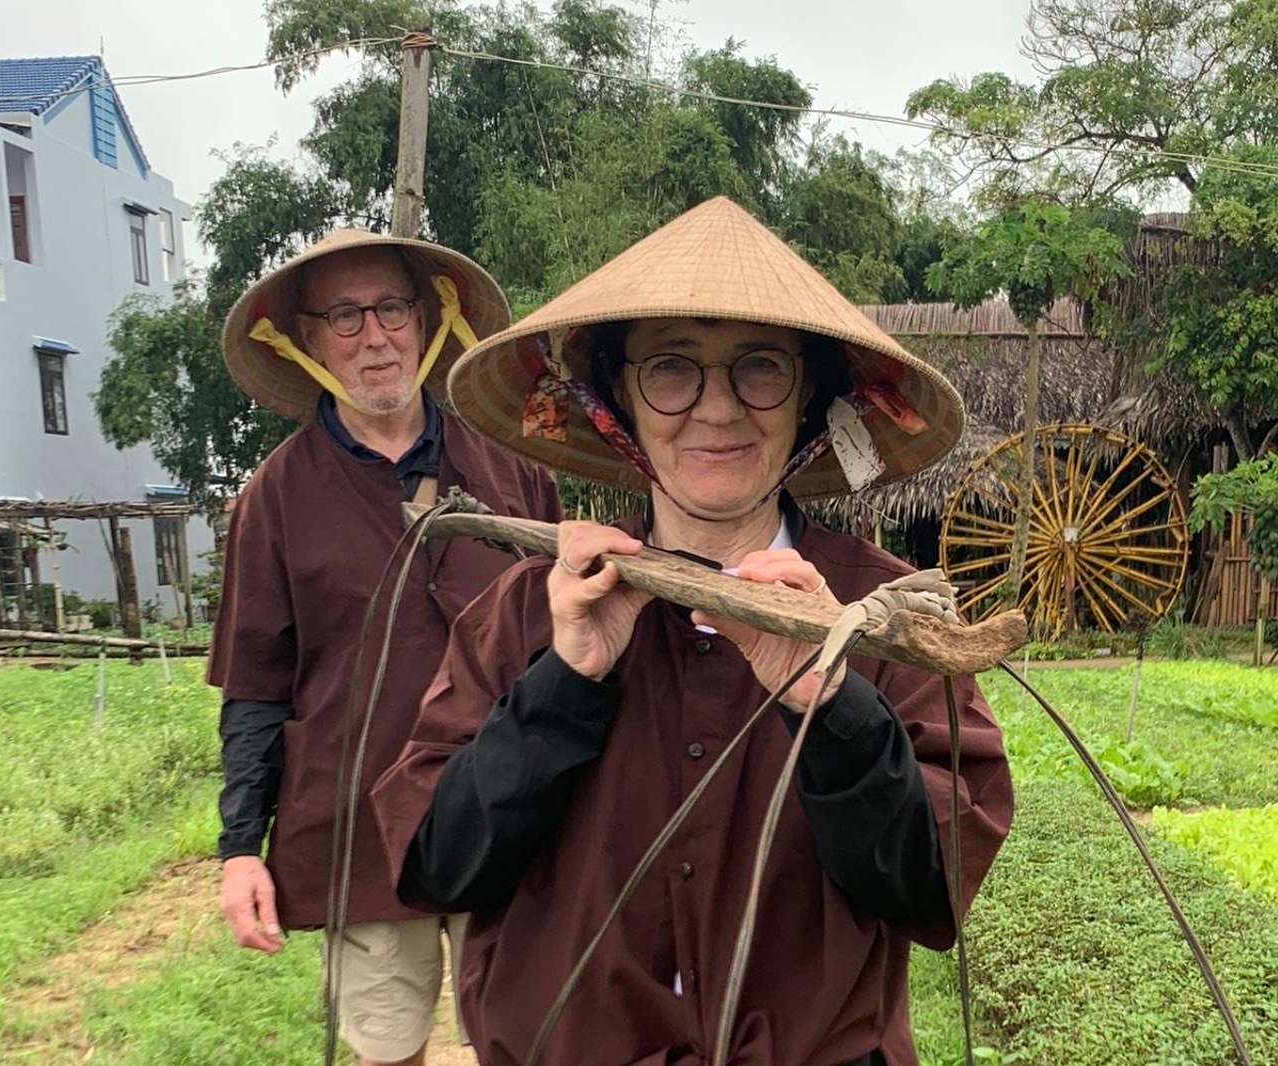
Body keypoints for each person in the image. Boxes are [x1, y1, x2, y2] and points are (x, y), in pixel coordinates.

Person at [370, 196, 1014, 1066]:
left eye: (760, 369)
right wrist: (563, 683)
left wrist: (830, 706)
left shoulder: (882, 616)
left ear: (809, 399)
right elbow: (439, 867)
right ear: (617, 405)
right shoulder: (530, 611)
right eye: (671, 371)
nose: (717, 410)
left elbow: (929, 887)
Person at [209, 229, 560, 1066]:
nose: (374, 336)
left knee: (532, 1041)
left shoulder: (514, 472)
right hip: (356, 829)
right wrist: (236, 852)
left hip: (507, 815)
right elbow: (255, 689)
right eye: (343, 315)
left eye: (391, 307)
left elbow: (569, 648)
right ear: (305, 340)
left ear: (429, 318)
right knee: (386, 1050)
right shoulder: (275, 498)